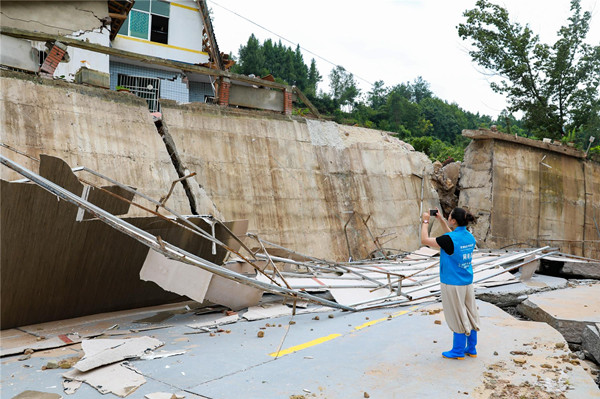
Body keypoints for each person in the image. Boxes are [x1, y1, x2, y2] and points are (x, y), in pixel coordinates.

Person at [420, 207, 479, 360]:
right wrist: (440, 220)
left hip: (452, 283)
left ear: (453, 221)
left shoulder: (449, 240)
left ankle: (458, 351)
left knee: (456, 315)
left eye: (449, 217)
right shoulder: (469, 237)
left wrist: (426, 221)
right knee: (470, 313)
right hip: (466, 281)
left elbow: (425, 240)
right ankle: (471, 348)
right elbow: (451, 236)